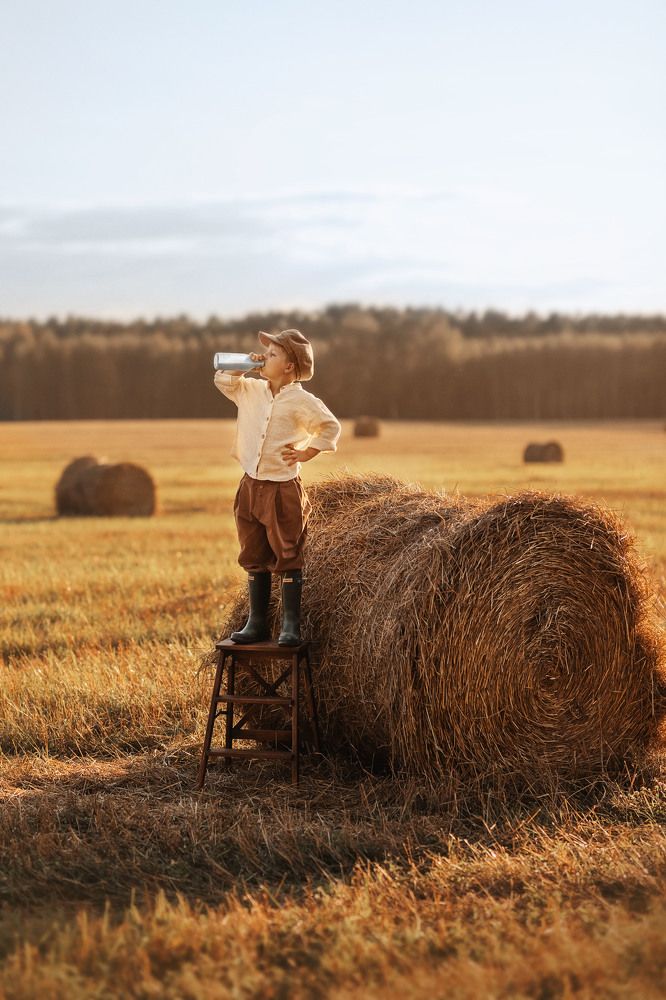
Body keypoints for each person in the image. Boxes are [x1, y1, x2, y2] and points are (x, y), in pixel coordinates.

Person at [214, 329, 341, 645]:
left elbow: (329, 426)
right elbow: (223, 380)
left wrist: (308, 451)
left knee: (287, 552)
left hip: (282, 489)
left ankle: (290, 626)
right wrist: (244, 363)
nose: (263, 357)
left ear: (289, 366)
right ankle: (256, 623)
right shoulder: (250, 390)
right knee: (253, 551)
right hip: (250, 486)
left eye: (271, 354)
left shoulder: (302, 401)